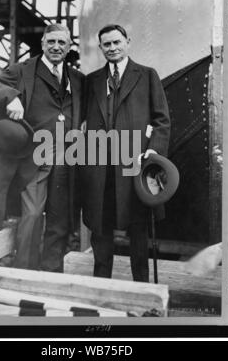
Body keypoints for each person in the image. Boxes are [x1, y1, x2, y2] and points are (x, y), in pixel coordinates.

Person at [0, 24, 85, 272]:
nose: (56, 47)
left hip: (66, 156)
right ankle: (25, 271)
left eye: (62, 43)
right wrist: (10, 96)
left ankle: (50, 272)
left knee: (60, 220)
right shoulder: (23, 70)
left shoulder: (77, 79)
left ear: (69, 47)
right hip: (36, 156)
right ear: (44, 43)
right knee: (33, 215)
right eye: (52, 42)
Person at [81, 24, 170, 282]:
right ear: (100, 48)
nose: (112, 48)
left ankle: (141, 286)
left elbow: (162, 120)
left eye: (116, 42)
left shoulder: (147, 75)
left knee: (139, 229)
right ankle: (101, 286)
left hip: (135, 165)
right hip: (100, 168)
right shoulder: (92, 81)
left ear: (127, 42)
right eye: (106, 44)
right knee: (100, 228)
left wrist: (152, 152)